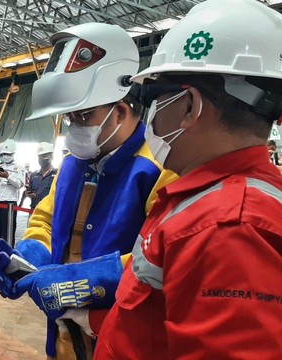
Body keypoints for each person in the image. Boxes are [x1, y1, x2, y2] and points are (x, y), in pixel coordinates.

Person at [92, 1, 282, 357]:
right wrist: (99, 323)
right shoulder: (210, 201)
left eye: (152, 99)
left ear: (190, 106)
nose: (148, 118)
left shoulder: (226, 226)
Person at [0, 22, 175, 360]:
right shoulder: (73, 165)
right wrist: (30, 258)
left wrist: (78, 280)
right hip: (66, 336)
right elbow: (45, 219)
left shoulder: (158, 170)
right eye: (69, 118)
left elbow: (160, 262)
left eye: (83, 116)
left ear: (120, 110)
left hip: (122, 338)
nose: (74, 128)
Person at [0, 139, 25, 241]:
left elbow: (19, 185)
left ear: (13, 154)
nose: (6, 156)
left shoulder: (19, 168)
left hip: (9, 204)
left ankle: (8, 254)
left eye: (8, 154)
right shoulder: (0, 167)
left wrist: (8, 176)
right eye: (4, 154)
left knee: (8, 232)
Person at [25, 142, 57, 210]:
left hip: (49, 211)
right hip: (34, 210)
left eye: (45, 156)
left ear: (52, 157)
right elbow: (31, 191)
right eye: (40, 156)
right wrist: (28, 194)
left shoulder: (57, 174)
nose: (42, 159)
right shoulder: (34, 175)